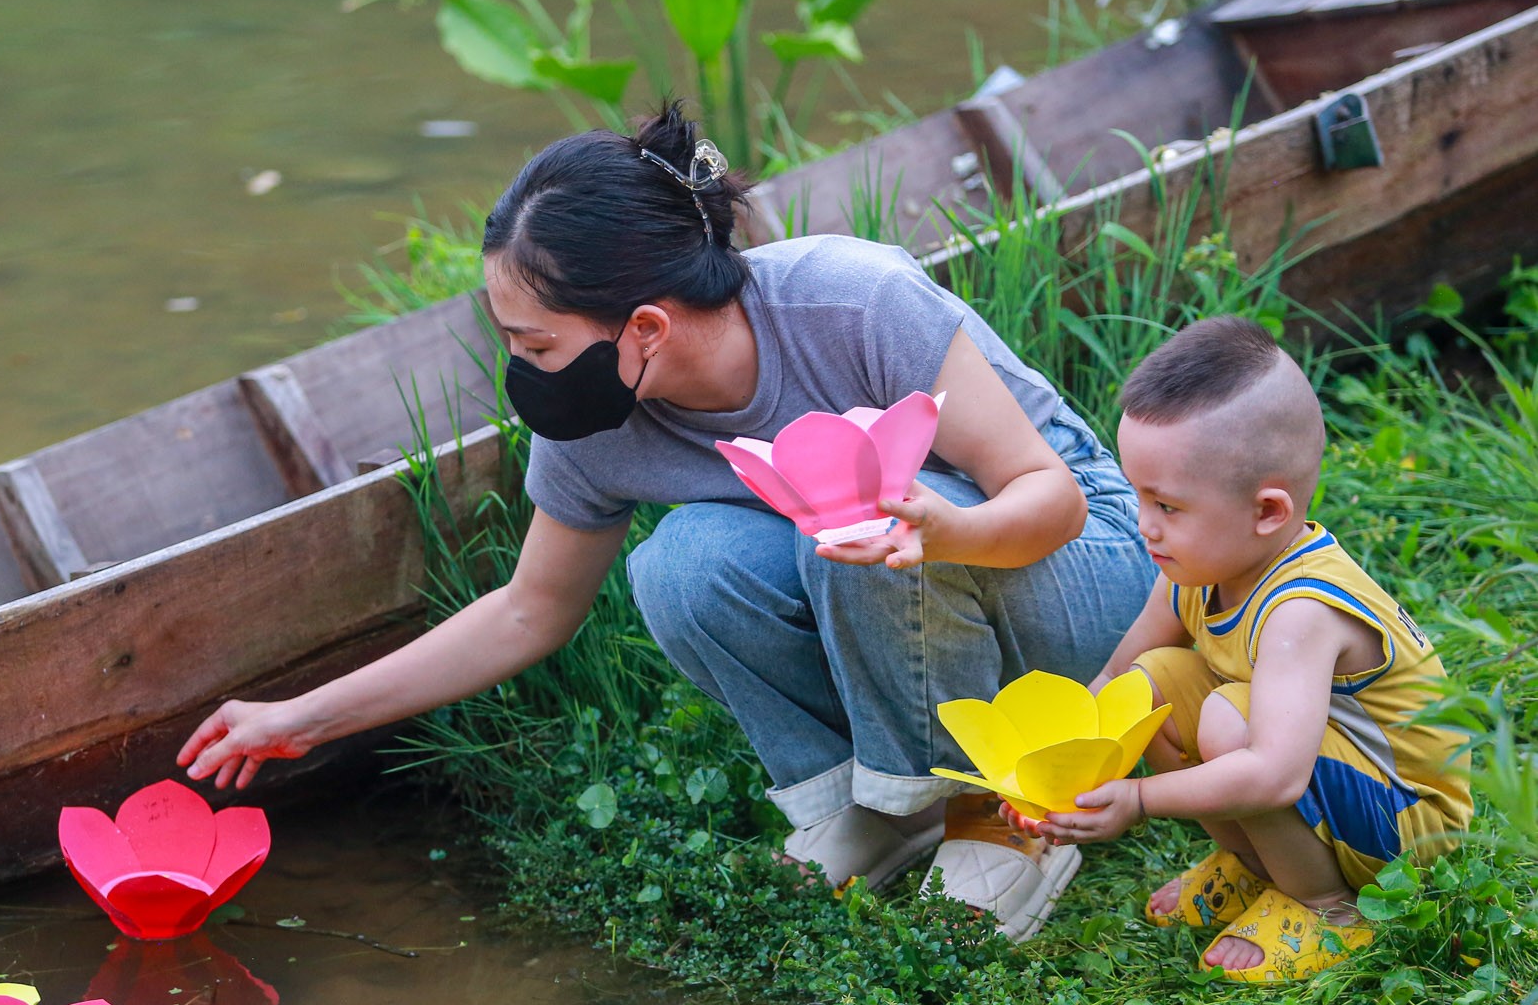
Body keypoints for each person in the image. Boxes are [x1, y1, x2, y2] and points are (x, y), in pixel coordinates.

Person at [177, 103, 1153, 942]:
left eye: (536, 343)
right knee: (682, 566)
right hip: (897, 590)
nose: (524, 368)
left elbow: (1052, 499)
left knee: (858, 541)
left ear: (643, 328)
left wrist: (938, 532)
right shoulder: (595, 417)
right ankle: (879, 803)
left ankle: (994, 806)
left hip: (1087, 584)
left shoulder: (852, 302)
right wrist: (301, 716)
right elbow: (527, 611)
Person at [1020, 316, 1472, 980]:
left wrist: (1139, 800)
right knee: (1151, 680)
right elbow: (1116, 677)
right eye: (1137, 494)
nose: (1144, 524)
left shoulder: (1299, 611)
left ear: (1267, 511)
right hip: (1333, 781)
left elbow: (1275, 774)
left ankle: (1326, 908)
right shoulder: (1193, 572)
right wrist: (1046, 777)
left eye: (1166, 504)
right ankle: (1255, 865)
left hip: (1410, 819)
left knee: (1230, 720)